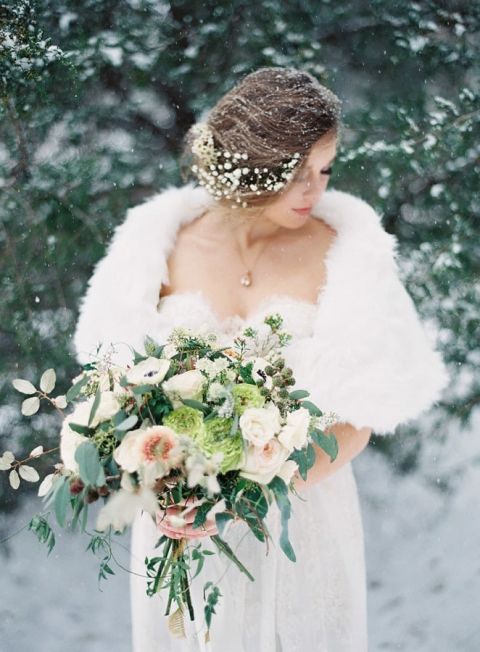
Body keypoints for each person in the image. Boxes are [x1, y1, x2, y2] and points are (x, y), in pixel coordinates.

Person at [72, 67, 449, 651]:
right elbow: (118, 395)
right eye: (295, 174)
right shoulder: (158, 248)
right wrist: (163, 485)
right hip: (181, 529)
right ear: (248, 163)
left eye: (324, 170)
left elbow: (360, 419)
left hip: (303, 520)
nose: (314, 192)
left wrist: (253, 487)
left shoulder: (346, 256)